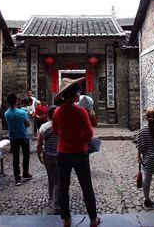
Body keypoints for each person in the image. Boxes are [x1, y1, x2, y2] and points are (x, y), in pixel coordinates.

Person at [52, 77, 100, 227]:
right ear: (72, 95)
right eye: (78, 93)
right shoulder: (81, 112)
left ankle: (66, 219)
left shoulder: (57, 112)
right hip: (80, 153)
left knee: (63, 187)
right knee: (86, 186)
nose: (79, 95)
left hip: (63, 153)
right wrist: (81, 142)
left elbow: (54, 131)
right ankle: (93, 219)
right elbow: (89, 133)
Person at [4, 94, 32, 186]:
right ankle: (25, 173)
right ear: (17, 101)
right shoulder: (22, 113)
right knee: (26, 156)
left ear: (8, 102)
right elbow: (27, 124)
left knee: (15, 158)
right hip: (23, 136)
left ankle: (17, 178)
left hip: (13, 138)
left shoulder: (6, 114)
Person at [37, 105, 60, 215]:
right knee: (58, 181)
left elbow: (39, 144)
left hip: (47, 155)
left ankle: (51, 199)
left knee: (51, 178)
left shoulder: (43, 127)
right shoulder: (61, 126)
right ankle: (56, 204)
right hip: (57, 156)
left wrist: (39, 155)